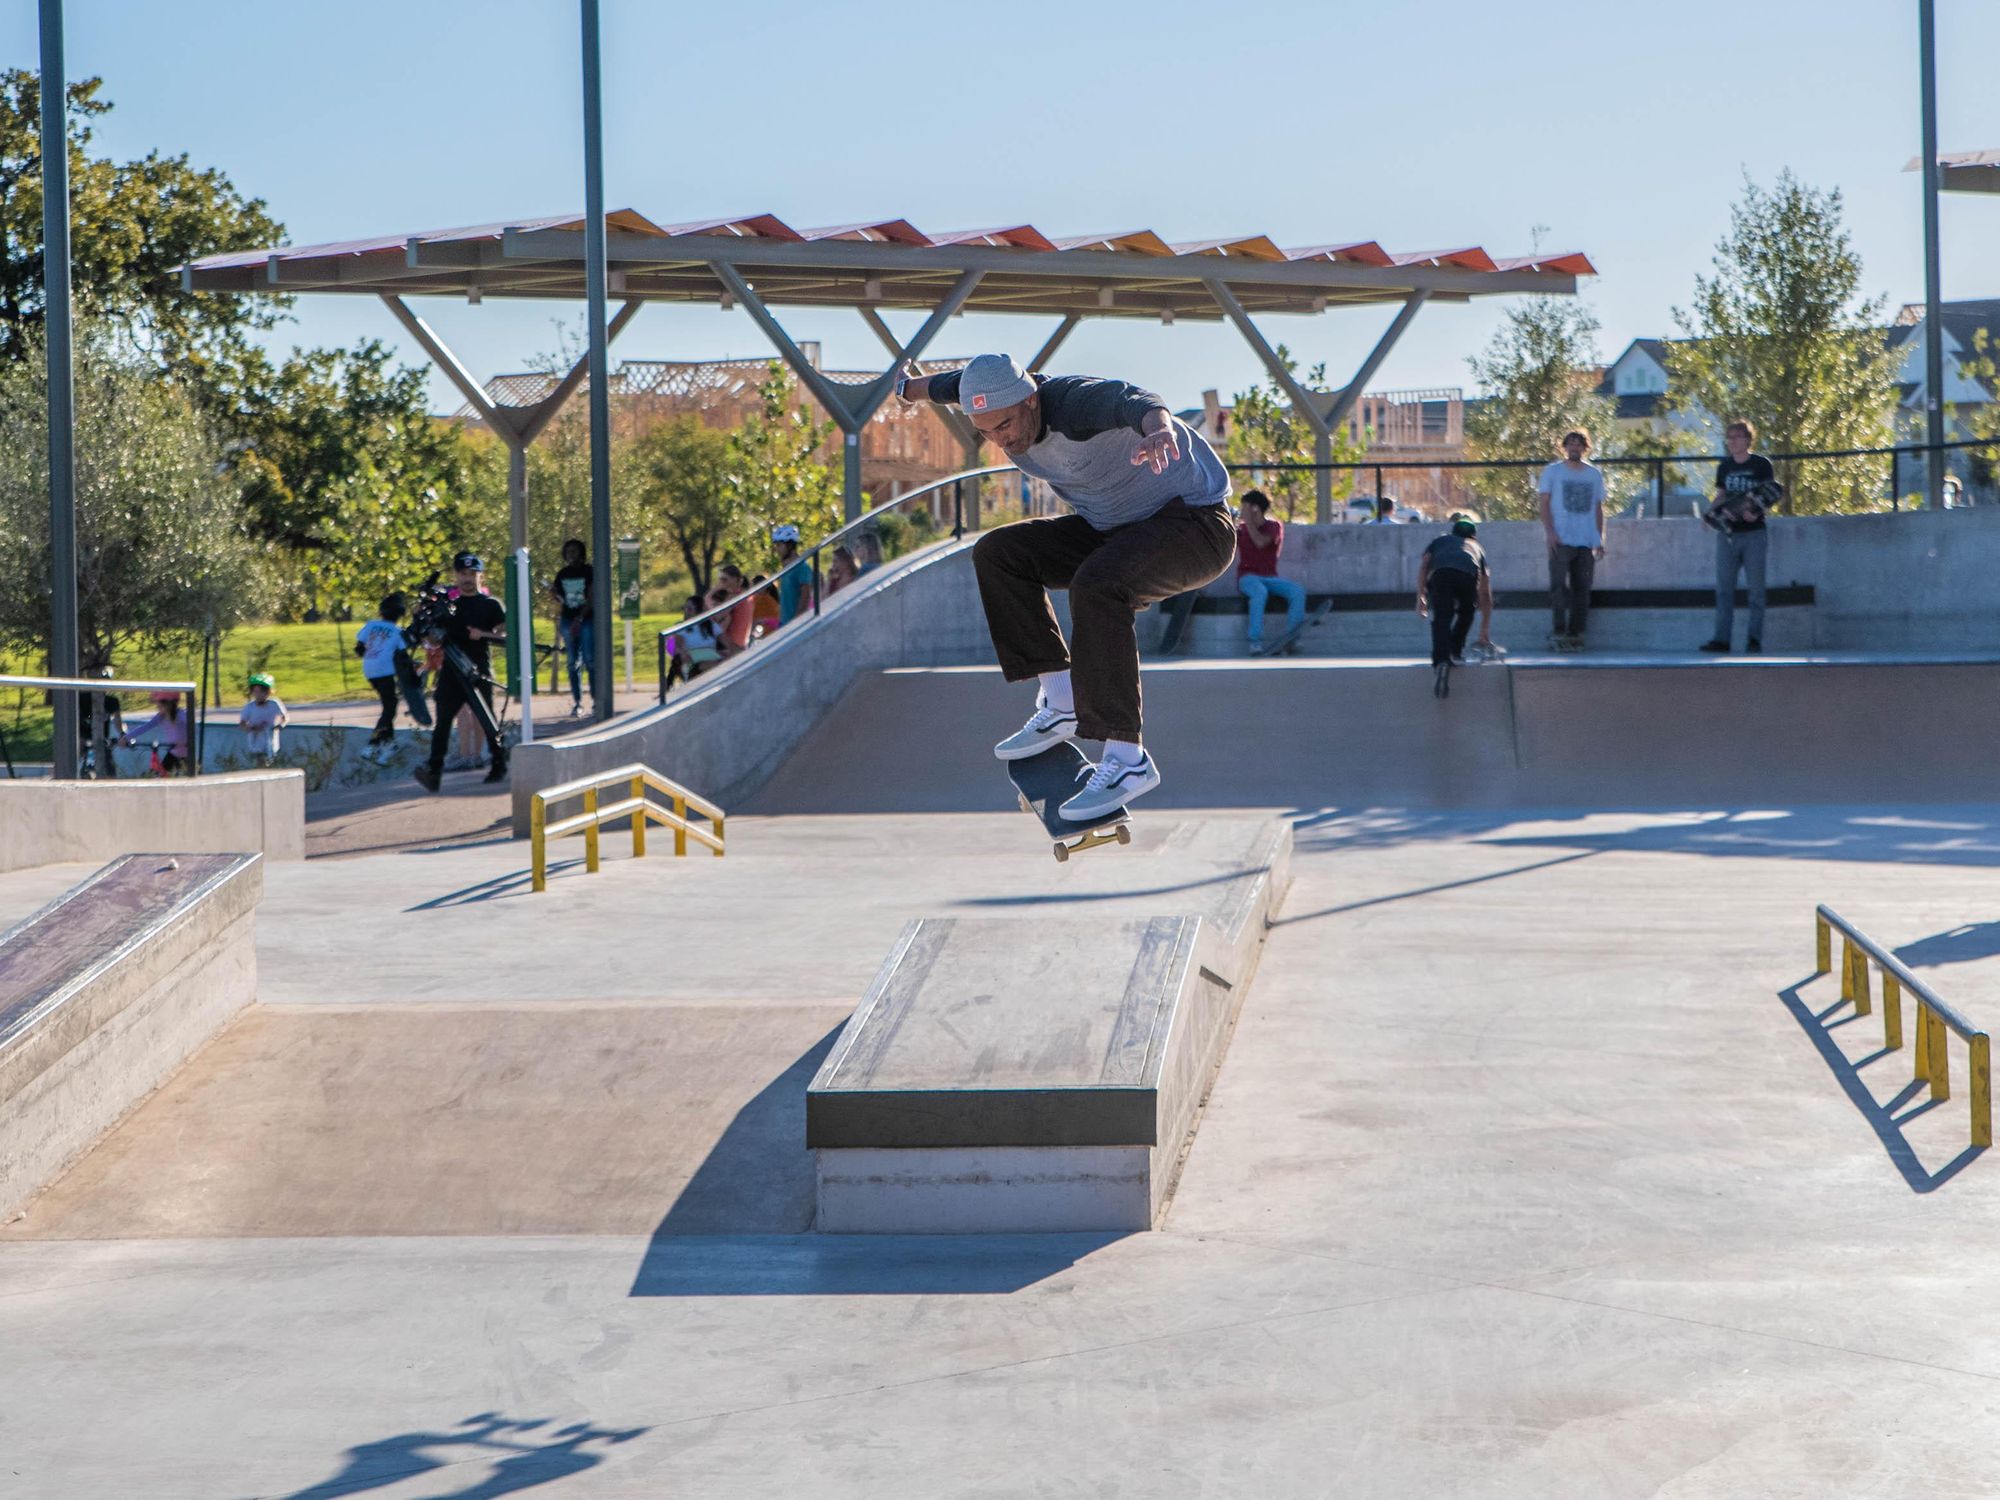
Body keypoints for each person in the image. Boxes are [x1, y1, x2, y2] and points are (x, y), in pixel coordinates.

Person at [899, 352, 1235, 820]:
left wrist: (1159, 429)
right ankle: (1061, 701)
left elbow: (1138, 400)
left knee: (1097, 585)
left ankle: (1125, 759)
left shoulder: (1073, 402)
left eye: (1007, 425)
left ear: (1031, 399)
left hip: (1195, 525)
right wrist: (907, 389)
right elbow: (939, 388)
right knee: (1000, 554)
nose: (1002, 440)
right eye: (988, 432)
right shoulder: (981, 397)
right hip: (1113, 528)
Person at [413, 551, 508, 792]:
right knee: (443, 722)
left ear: (480, 576)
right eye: (463, 573)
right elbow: (432, 639)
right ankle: (434, 770)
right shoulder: (448, 606)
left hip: (479, 670)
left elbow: (506, 635)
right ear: (456, 575)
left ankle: (499, 764)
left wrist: (482, 634)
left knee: (488, 719)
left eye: (472, 574)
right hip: (451, 673)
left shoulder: (491, 605)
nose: (467, 578)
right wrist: (423, 622)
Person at [1700, 419, 1776, 654]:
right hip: (1729, 533)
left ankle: (1754, 639)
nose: (1732, 441)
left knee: (1756, 590)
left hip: (1754, 534)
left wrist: (1756, 512)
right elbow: (1722, 494)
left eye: (1736, 437)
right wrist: (1709, 515)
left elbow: (1770, 493)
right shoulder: (1724, 467)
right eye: (1729, 437)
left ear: (1747, 440)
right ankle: (1721, 639)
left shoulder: (1761, 464)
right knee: (1724, 590)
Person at [1537, 429, 1608, 650]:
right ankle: (1559, 628)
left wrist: (1600, 537)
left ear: (1585, 447)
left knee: (1582, 587)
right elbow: (1544, 503)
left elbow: (1598, 507)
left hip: (1585, 540)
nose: (1574, 448)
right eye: (1571, 444)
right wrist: (1550, 532)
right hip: (1561, 538)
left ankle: (1576, 631)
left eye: (1578, 444)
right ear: (1565, 447)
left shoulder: (1593, 474)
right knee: (1558, 585)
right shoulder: (1553, 472)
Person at [1415, 513, 1494, 697]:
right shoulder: (1476, 547)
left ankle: (1441, 659)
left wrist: (1421, 596)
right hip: (1468, 574)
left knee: (1442, 617)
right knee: (1467, 612)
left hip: (1440, 574)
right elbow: (1485, 590)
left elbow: (1424, 565)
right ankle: (1455, 651)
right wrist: (1484, 630)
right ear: (1473, 535)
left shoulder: (1440, 540)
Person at [1235, 489, 1305, 654]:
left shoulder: (1273, 527)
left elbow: (1261, 542)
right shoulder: (1241, 530)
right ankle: (1255, 642)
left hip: (1270, 578)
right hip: (1247, 577)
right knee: (1259, 592)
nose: (1241, 510)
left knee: (1297, 591)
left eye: (1244, 507)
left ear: (1255, 509)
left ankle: (1292, 639)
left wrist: (1248, 523)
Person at [356, 593, 410, 755]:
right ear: (400, 615)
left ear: (381, 612)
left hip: (369, 670)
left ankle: (389, 742)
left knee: (388, 704)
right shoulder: (397, 631)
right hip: (385, 671)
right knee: (390, 707)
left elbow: (359, 648)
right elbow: (403, 655)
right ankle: (373, 743)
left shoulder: (370, 625)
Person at [549, 538, 594, 716]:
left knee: (590, 660)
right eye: (568, 552)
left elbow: (591, 598)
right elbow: (562, 598)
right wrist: (554, 595)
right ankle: (577, 702)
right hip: (567, 619)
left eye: (575, 551)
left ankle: (597, 700)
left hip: (587, 619)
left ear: (581, 553)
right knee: (571, 662)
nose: (571, 555)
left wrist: (580, 618)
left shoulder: (589, 572)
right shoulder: (562, 574)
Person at [120, 689, 191, 775]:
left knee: (190, 777)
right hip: (173, 753)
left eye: (159, 706)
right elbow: (145, 727)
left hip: (188, 754)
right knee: (159, 775)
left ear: (168, 704)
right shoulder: (161, 717)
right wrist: (126, 737)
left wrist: (186, 741)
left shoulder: (181, 714)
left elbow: (193, 726)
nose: (158, 708)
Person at [237, 674, 287, 765]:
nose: (258, 695)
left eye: (261, 692)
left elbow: (284, 717)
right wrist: (251, 728)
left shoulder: (274, 704)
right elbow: (242, 723)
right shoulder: (250, 707)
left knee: (271, 764)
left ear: (268, 692)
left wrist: (279, 725)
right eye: (255, 692)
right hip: (255, 744)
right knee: (259, 765)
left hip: (271, 744)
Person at [773, 526, 812, 624]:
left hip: (795, 623)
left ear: (790, 545)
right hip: (783, 622)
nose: (776, 549)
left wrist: (797, 620)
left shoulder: (802, 568)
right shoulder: (785, 569)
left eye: (779, 545)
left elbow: (805, 595)